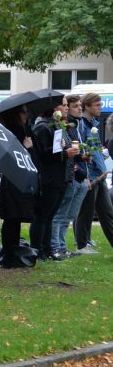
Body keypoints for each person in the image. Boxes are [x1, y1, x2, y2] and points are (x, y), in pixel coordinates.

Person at [29, 101, 77, 261]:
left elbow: (57, 150)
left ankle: (47, 249)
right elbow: (42, 154)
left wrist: (67, 152)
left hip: (60, 177)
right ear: (53, 108)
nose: (66, 108)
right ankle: (37, 250)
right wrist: (65, 153)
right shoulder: (43, 127)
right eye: (63, 105)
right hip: (48, 178)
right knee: (42, 215)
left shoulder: (58, 125)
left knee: (50, 215)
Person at [0, 106, 37, 268]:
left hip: (18, 180)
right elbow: (11, 156)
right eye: (24, 112)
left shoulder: (23, 130)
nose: (27, 115)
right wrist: (25, 147)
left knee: (15, 218)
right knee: (11, 218)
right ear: (16, 114)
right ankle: (9, 254)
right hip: (13, 180)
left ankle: (12, 252)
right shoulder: (11, 132)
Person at [50, 95, 90, 257]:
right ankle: (56, 247)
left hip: (79, 175)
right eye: (72, 106)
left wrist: (82, 157)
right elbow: (57, 154)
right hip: (70, 176)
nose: (78, 109)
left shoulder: (73, 125)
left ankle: (62, 246)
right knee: (60, 215)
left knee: (69, 215)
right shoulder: (58, 127)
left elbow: (73, 152)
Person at [74, 92, 113, 253]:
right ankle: (82, 246)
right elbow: (84, 151)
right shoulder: (82, 126)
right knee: (85, 212)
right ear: (87, 106)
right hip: (91, 176)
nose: (100, 108)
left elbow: (95, 152)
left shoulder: (93, 124)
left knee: (107, 213)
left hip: (100, 175)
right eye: (97, 105)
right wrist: (87, 177)